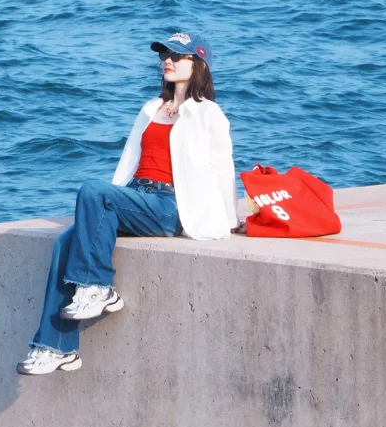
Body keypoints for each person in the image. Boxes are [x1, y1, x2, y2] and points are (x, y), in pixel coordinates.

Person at [17, 30, 238, 375]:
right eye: (164, 55)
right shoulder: (151, 108)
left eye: (176, 56)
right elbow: (129, 162)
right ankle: (57, 347)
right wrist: (107, 206)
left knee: (93, 190)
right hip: (136, 195)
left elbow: (222, 167)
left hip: (171, 205)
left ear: (197, 64)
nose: (167, 60)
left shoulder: (208, 113)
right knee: (65, 242)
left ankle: (99, 286)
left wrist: (229, 219)